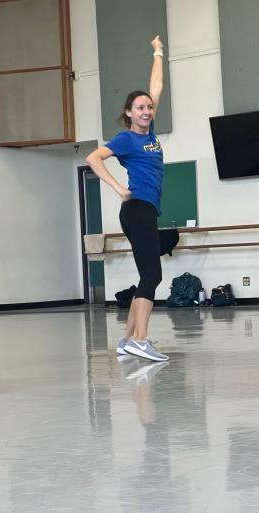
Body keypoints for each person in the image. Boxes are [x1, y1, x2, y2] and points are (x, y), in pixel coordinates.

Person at [87, 35, 169, 363]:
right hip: (137, 209)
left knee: (145, 275)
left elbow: (157, 87)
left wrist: (158, 52)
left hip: (142, 210)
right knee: (153, 276)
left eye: (149, 107)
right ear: (129, 113)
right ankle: (141, 339)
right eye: (140, 108)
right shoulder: (126, 139)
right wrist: (118, 188)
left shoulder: (149, 133)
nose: (147, 110)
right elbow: (93, 158)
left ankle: (126, 341)